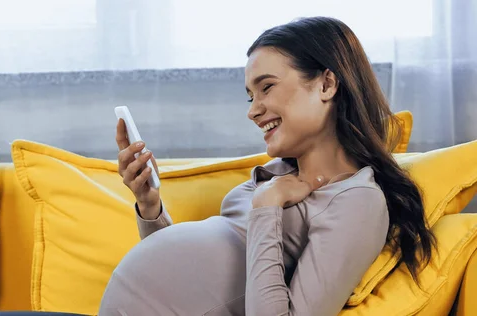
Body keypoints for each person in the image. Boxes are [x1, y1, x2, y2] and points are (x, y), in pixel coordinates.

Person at [98, 16, 436, 316]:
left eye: (267, 87)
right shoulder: (275, 177)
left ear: (327, 84)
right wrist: (149, 203)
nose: (253, 110)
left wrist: (267, 206)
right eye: (250, 95)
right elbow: (189, 278)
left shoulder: (356, 200)